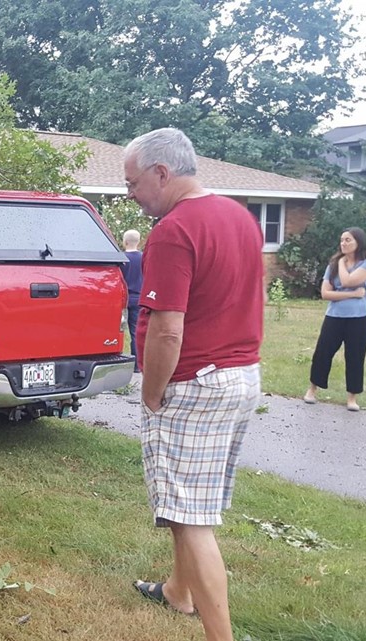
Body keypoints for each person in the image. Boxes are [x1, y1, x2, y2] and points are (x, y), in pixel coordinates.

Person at [123, 128, 263, 641]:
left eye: (133, 183)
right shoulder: (240, 218)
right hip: (241, 377)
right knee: (191, 503)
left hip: (195, 383)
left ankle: (220, 636)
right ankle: (179, 593)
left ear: (162, 173)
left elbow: (166, 328)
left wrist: (153, 391)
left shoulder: (174, 229)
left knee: (189, 518)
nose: (131, 194)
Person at [303, 228, 366, 411]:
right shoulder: (334, 265)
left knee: (355, 357)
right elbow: (325, 293)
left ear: (358, 242)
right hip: (334, 317)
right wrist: (352, 294)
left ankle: (352, 398)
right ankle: (312, 390)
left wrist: (343, 266)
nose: (343, 243)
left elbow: (348, 281)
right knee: (322, 353)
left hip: (360, 318)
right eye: (342, 240)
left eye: (348, 240)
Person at [119, 229, 144, 371]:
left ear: (125, 241)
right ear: (138, 241)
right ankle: (136, 365)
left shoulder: (121, 259)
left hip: (123, 299)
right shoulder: (144, 257)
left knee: (118, 329)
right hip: (139, 298)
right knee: (135, 331)